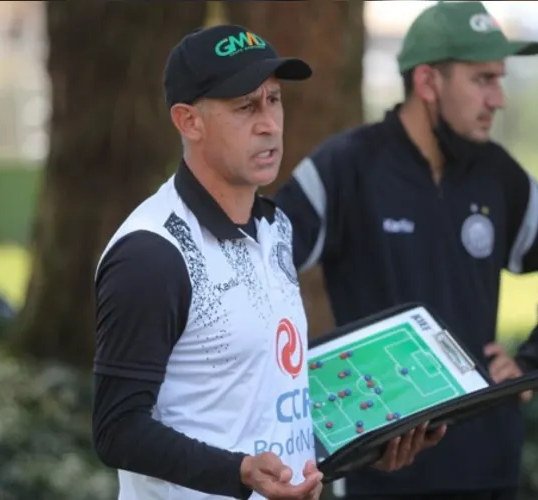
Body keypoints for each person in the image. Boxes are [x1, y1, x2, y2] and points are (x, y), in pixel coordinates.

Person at [91, 25, 434, 500]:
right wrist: (240, 472)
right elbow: (117, 430)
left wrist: (370, 443)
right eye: (245, 106)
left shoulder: (276, 228)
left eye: (274, 100)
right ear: (189, 121)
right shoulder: (151, 254)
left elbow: (265, 398)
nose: (270, 123)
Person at [273, 2, 538, 499]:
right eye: (483, 79)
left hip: (487, 467)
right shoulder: (347, 166)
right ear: (428, 83)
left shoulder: (499, 175)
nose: (499, 99)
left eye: (500, 80)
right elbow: (258, 267)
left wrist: (534, 361)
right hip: (378, 474)